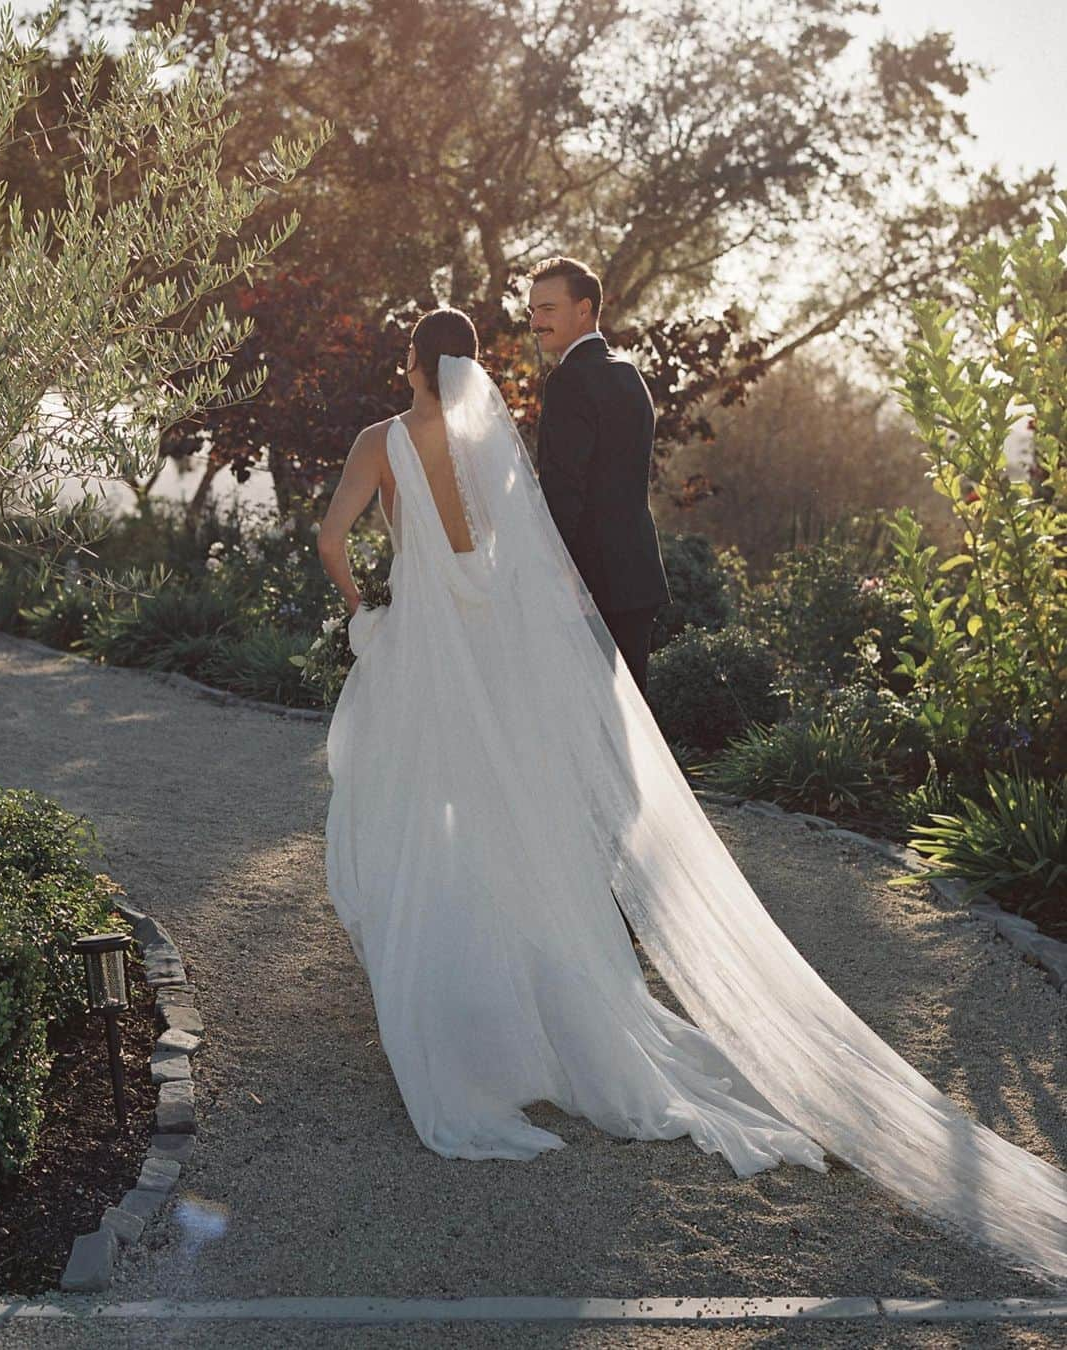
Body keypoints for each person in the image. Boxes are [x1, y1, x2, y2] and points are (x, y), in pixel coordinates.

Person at [318, 307, 1067, 1288]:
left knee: (419, 816)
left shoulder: (380, 442)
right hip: (491, 648)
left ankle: (450, 1015)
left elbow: (334, 538)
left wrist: (363, 607)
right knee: (511, 821)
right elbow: (520, 558)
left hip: (421, 648)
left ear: (411, 361)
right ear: (468, 370)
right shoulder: (484, 443)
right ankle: (523, 1011)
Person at [528, 255, 671, 700]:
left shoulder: (569, 381)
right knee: (629, 727)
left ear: (584, 309)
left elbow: (563, 488)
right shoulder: (629, 376)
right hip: (636, 575)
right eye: (532, 311)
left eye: (548, 309)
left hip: (587, 582)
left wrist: (554, 572)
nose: (535, 323)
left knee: (586, 723)